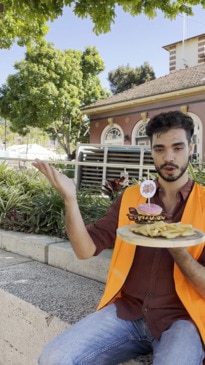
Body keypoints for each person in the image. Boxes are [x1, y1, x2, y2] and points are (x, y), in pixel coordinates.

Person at [32, 110, 205, 365]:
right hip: (128, 312)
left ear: (191, 148)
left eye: (177, 147)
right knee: (53, 358)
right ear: (151, 151)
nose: (169, 157)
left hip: (183, 319)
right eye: (159, 149)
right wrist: (70, 200)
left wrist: (176, 248)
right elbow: (84, 250)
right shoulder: (132, 198)